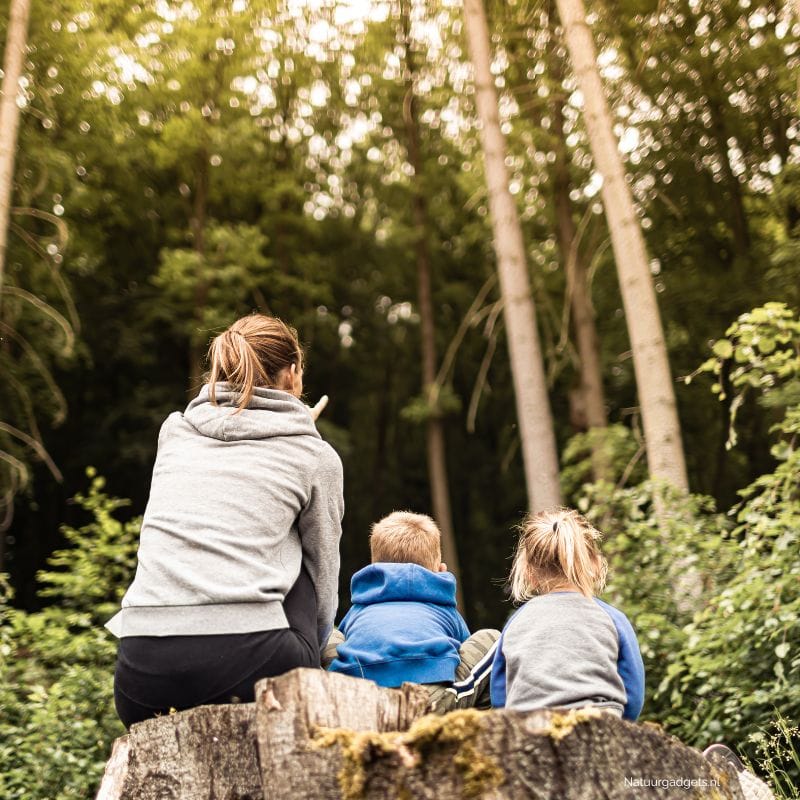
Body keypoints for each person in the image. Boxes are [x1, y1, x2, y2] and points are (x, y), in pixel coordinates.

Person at [106, 313, 344, 727]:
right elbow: (323, 573)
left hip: (140, 676)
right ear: (292, 374)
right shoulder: (314, 455)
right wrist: (320, 649)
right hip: (250, 664)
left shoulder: (175, 432)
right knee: (302, 555)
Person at [327, 511, 499, 712]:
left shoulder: (360, 608)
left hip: (360, 698)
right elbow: (460, 656)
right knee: (492, 639)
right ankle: (473, 721)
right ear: (441, 570)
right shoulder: (443, 607)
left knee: (329, 632)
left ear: (374, 569)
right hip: (428, 702)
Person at [491, 507, 644, 721]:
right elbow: (633, 695)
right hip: (600, 731)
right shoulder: (612, 619)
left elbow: (500, 693)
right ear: (595, 564)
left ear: (528, 572)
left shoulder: (517, 622)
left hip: (529, 733)